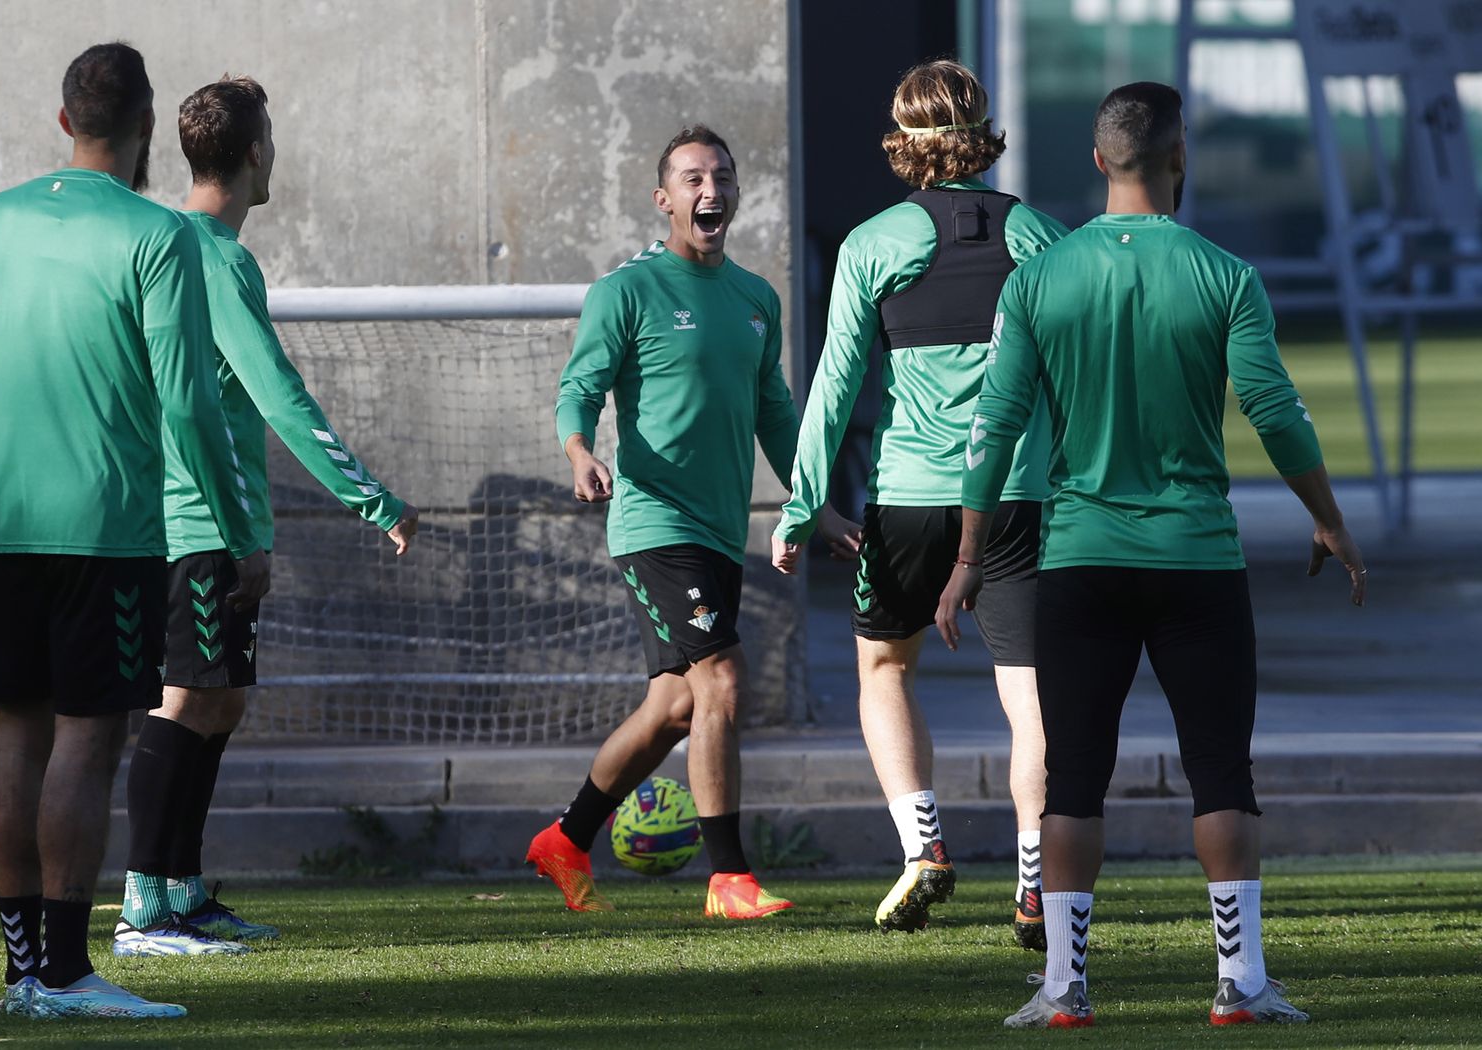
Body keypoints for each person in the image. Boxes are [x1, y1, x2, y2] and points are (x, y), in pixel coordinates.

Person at [934, 81, 1366, 1029]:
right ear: (1180, 160)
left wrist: (968, 554)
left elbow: (993, 425)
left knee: (1073, 774)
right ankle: (1239, 982)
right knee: (1222, 770)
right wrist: (1328, 519)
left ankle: (1064, 988)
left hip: (1082, 561)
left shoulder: (1040, 277)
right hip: (1196, 562)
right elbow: (1275, 412)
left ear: (1098, 162)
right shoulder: (1224, 275)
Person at [0, 42, 269, 1020]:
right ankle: (63, 972)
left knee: (18, 740)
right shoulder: (156, 234)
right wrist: (235, 531)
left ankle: (22, 973)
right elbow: (190, 409)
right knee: (88, 744)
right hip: (109, 535)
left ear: (64, 122)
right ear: (143, 131)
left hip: (8, 529)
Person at [112, 75, 421, 957]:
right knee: (182, 702)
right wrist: (373, 499)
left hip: (200, 519)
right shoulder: (214, 255)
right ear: (254, 153)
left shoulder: (163, 241)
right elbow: (278, 396)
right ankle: (142, 910)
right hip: (198, 522)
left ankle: (181, 889)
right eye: (272, 138)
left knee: (222, 702)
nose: (276, 152)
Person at [527, 125, 858, 919]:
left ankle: (566, 839)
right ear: (664, 199)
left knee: (676, 705)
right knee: (724, 680)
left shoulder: (755, 298)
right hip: (653, 522)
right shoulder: (627, 291)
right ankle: (729, 878)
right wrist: (579, 454)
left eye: (722, 176)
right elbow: (579, 389)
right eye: (692, 179)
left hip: (717, 530)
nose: (710, 191)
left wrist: (817, 505)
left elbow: (776, 416)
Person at [772, 58, 1065, 943]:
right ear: (984, 132)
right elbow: (1075, 380)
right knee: (1032, 700)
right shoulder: (1043, 236)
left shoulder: (872, 242)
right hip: (1016, 498)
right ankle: (1033, 881)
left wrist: (800, 507)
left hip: (907, 499)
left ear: (904, 142)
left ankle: (923, 849)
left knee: (885, 669)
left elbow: (832, 389)